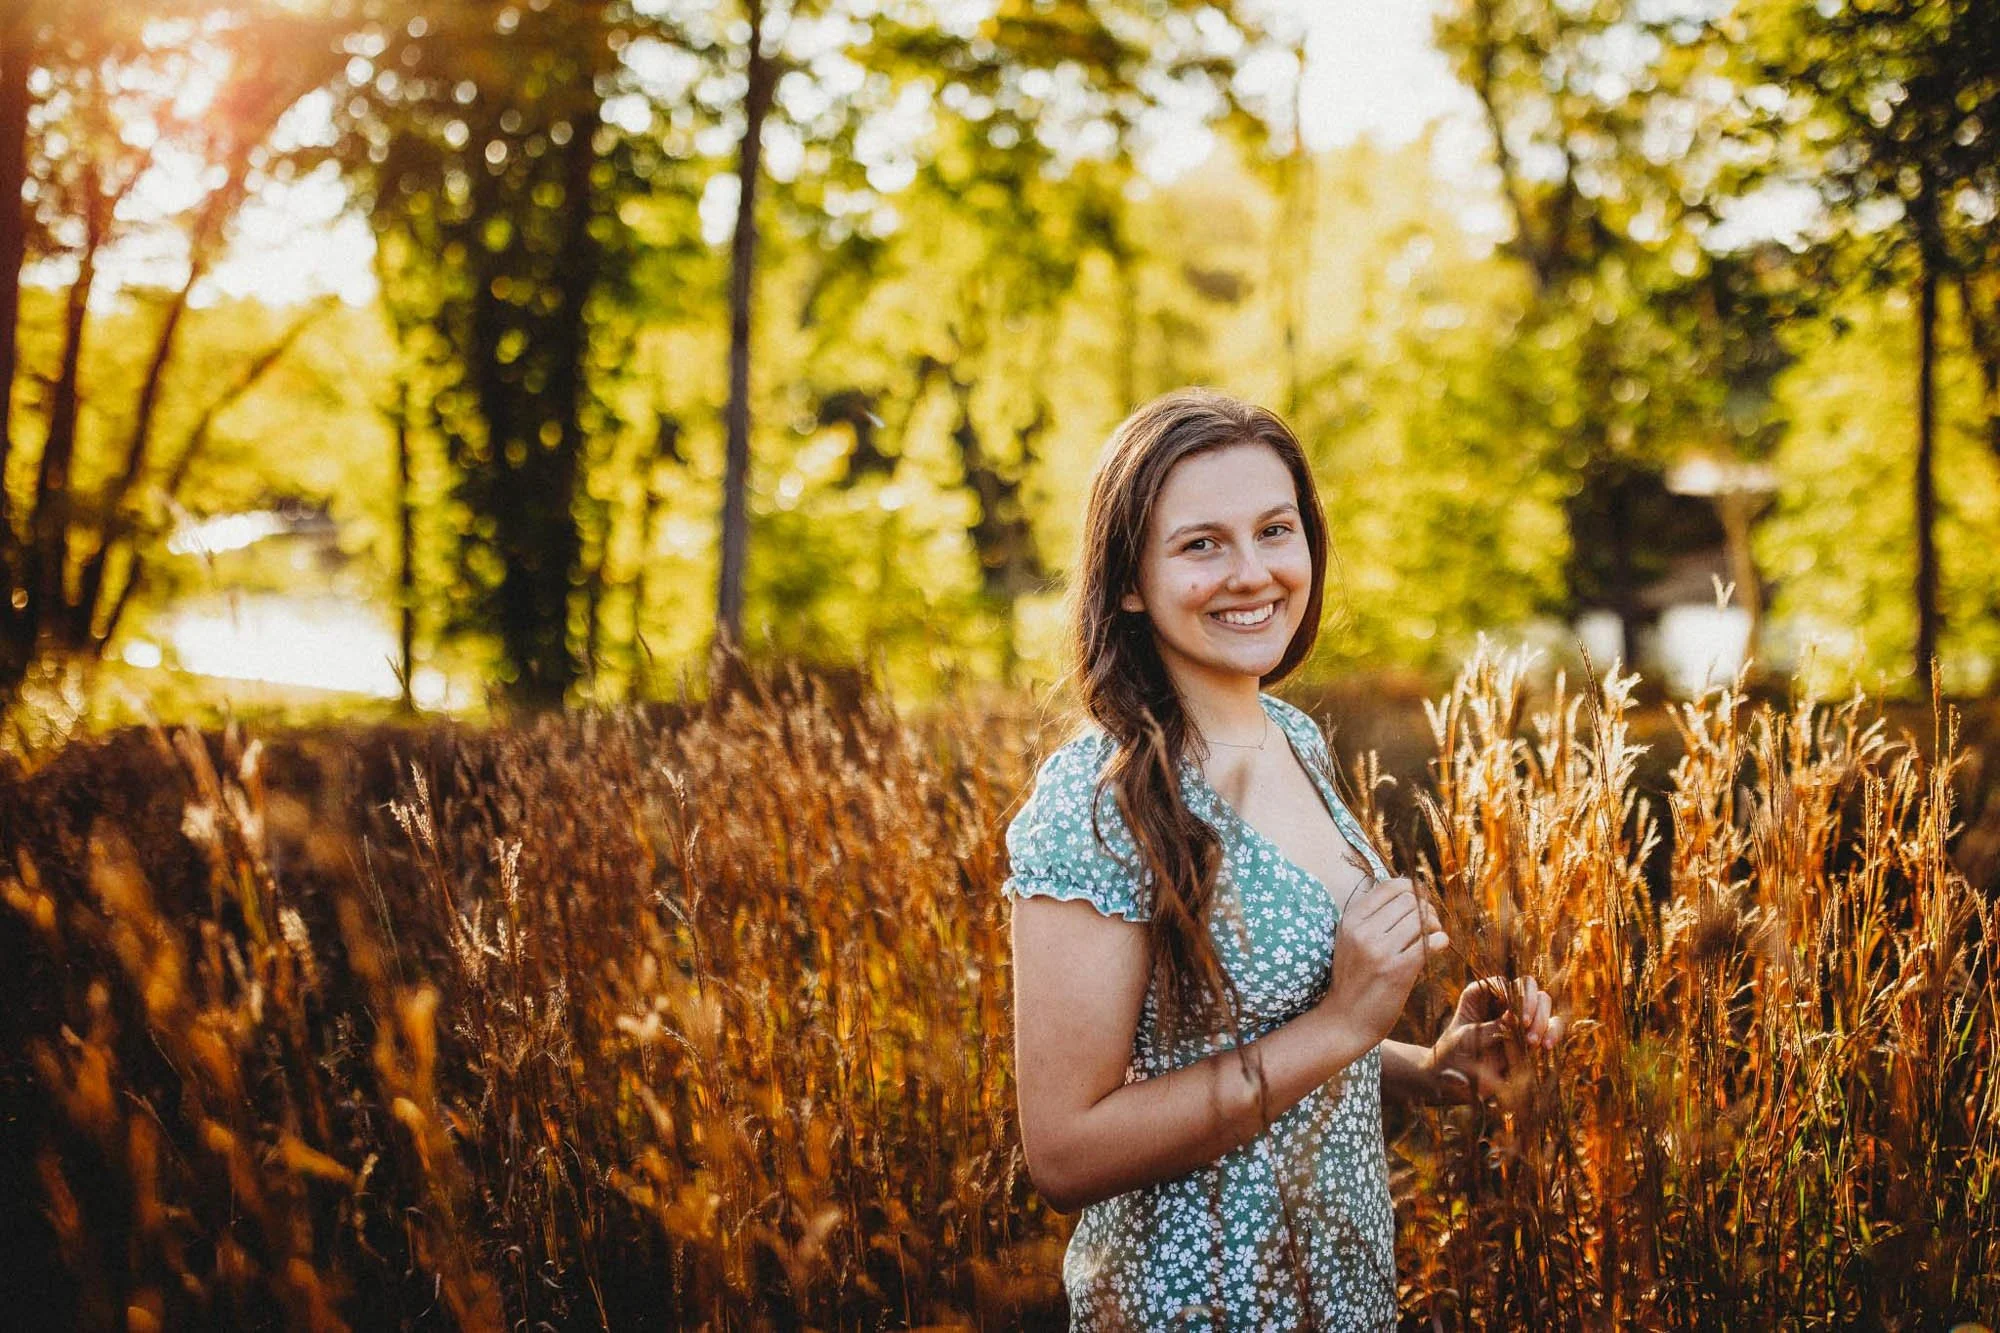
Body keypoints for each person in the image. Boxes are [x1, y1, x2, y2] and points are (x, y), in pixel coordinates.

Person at [1003, 387, 1565, 1331]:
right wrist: (1343, 1021)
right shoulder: (1099, 802)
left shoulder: (1295, 738)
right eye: (1201, 544)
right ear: (1130, 580)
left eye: (1275, 529)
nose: (1252, 572)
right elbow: (1065, 1151)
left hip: (1341, 1300)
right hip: (1191, 1309)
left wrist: (1434, 1065)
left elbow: (1256, 1031)